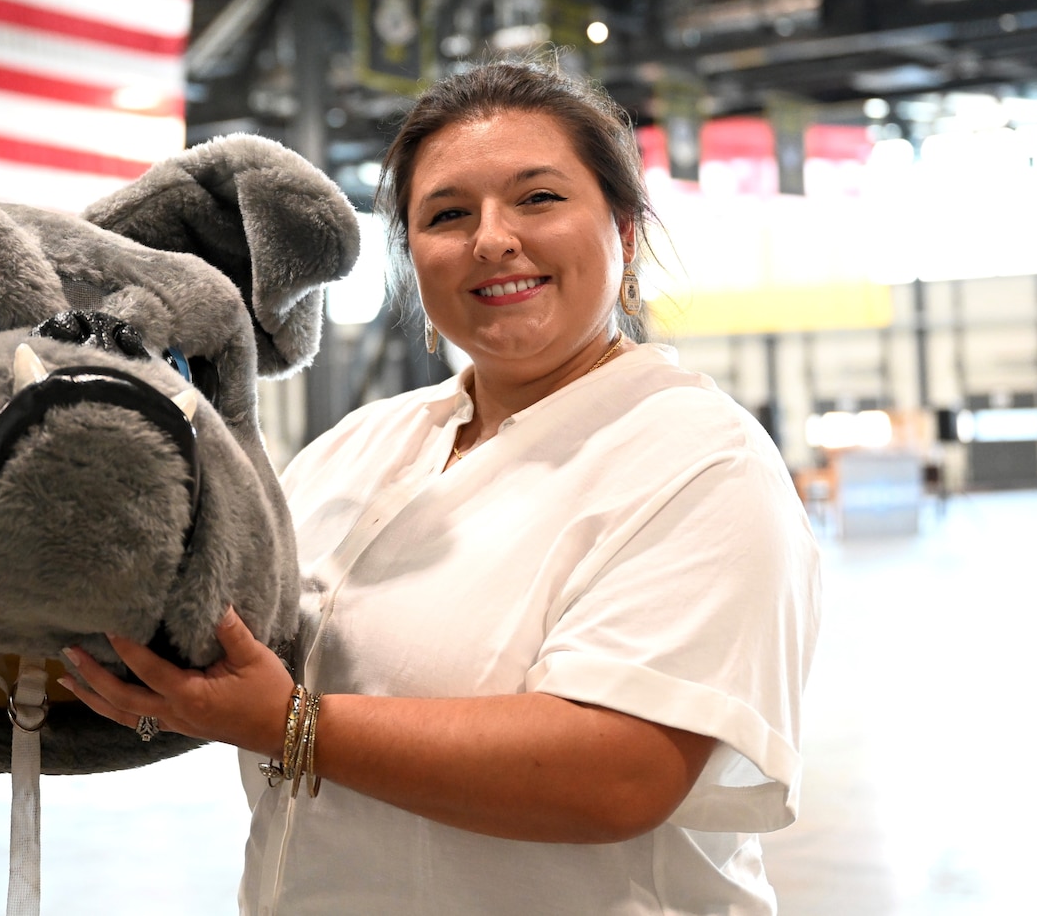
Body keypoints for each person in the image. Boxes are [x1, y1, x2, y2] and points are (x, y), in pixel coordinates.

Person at [62, 61, 821, 915]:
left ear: (625, 231)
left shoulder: (699, 462)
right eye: (449, 214)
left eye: (538, 198)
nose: (493, 239)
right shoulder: (360, 447)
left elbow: (619, 771)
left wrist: (291, 724)